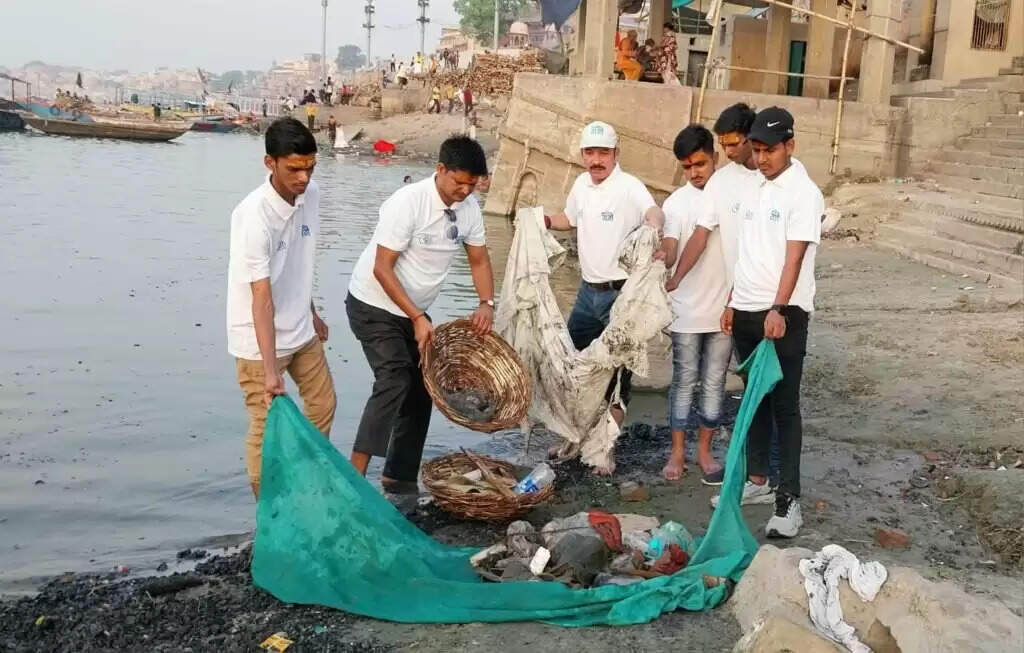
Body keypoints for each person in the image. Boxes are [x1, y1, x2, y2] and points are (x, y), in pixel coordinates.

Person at [346, 136, 495, 492]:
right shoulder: (408, 202)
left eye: (472, 184)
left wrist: (486, 303)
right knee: (395, 378)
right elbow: (382, 268)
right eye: (459, 182)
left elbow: (478, 260)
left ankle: (398, 479)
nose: (465, 190)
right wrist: (417, 317)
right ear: (440, 169)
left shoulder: (469, 209)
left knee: (421, 390)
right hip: (372, 303)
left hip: (413, 312)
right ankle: (353, 477)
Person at [717, 107, 821, 538]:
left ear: (789, 146)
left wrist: (778, 309)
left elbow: (794, 258)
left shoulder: (804, 193)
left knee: (784, 406)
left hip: (783, 313)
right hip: (745, 308)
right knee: (753, 398)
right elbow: (748, 252)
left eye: (769, 151)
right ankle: (757, 481)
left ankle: (789, 502)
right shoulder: (756, 188)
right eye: (756, 150)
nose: (761, 159)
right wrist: (732, 300)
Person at [543, 121, 665, 474]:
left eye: (603, 153)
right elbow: (569, 218)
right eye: (590, 153)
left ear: (615, 153)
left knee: (617, 376)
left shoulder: (629, 186)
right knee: (572, 367)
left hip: (620, 296)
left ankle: (606, 449)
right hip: (587, 294)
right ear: (583, 154)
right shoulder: (581, 185)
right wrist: (543, 221)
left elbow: (652, 210)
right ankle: (572, 437)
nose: (596, 160)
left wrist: (653, 225)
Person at [226, 117, 337, 498]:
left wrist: (312, 311)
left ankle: (304, 484)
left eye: (310, 167)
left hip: (300, 328)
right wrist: (271, 371)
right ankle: (268, 508)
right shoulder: (252, 217)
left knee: (323, 404)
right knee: (265, 423)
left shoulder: (311, 195)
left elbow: (296, 261)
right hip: (258, 341)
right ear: (269, 163)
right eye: (294, 169)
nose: (304, 178)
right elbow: (261, 297)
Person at [652, 125, 728, 485]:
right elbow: (670, 244)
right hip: (684, 309)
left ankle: (705, 451)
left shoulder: (730, 195)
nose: (695, 172)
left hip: (724, 308)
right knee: (683, 381)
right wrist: (663, 256)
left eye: (700, 163)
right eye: (687, 167)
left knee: (714, 381)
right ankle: (678, 452)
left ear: (715, 157)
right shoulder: (676, 203)